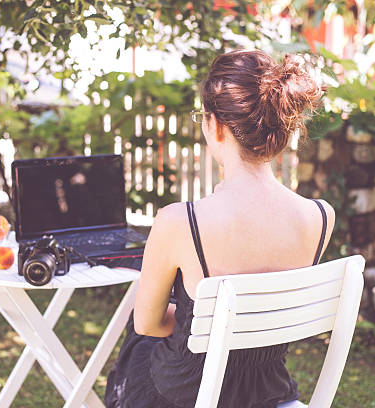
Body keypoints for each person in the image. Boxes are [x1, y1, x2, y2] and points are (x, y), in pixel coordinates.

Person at [104, 49, 335, 408]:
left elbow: (147, 324)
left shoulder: (180, 222)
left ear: (215, 125)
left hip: (185, 394)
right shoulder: (320, 216)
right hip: (266, 390)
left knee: (137, 343)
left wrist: (192, 325)